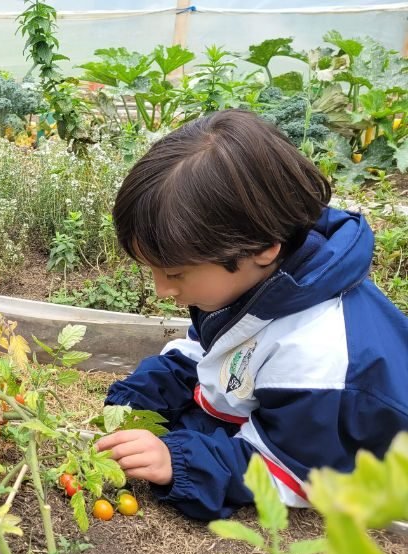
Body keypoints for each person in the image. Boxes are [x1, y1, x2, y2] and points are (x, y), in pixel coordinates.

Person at [94, 109, 408, 520]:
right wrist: (140, 397)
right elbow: (208, 354)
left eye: (174, 273)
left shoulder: (319, 353)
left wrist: (177, 462)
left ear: (262, 248)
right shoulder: (257, 281)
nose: (161, 289)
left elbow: (289, 470)